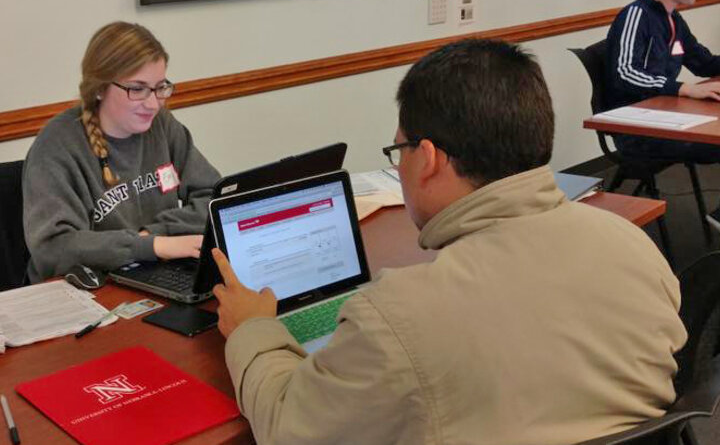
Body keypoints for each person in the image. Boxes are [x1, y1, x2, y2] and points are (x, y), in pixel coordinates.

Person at [211, 38, 686, 445]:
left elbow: (290, 428)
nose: (400, 166)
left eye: (399, 151)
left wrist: (253, 328)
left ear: (430, 158)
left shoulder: (400, 315)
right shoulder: (633, 246)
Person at [23, 21, 220, 282]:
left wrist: (154, 236)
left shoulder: (161, 125)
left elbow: (215, 198)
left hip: (152, 272)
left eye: (160, 87)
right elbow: (53, 249)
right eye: (137, 89)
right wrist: (151, 246)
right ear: (100, 88)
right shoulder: (57, 145)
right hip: (83, 287)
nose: (152, 104)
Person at [605, 0, 720, 225]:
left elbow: (703, 62)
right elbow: (624, 72)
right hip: (638, 130)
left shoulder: (673, 21)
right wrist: (682, 88)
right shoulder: (636, 15)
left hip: (667, 118)